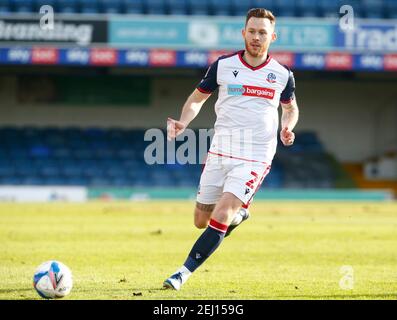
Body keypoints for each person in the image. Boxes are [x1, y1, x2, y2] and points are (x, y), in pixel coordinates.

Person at [164, 8, 299, 290]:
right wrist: (183, 121)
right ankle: (240, 215)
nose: (256, 37)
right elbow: (196, 99)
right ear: (243, 33)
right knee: (201, 220)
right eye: (252, 31)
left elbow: (290, 108)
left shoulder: (282, 74)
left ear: (272, 37)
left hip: (256, 156)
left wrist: (287, 126)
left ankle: (182, 273)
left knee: (222, 214)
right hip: (221, 151)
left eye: (263, 33)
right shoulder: (223, 66)